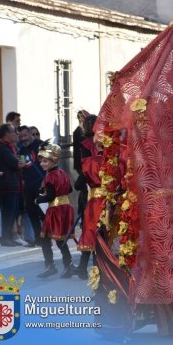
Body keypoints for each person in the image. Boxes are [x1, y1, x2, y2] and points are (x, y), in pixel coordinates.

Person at [35, 141, 75, 278]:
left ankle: (50, 265)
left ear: (53, 161)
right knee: (61, 240)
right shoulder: (62, 173)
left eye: (45, 161)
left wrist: (38, 199)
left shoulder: (50, 177)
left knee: (46, 238)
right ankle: (68, 265)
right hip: (65, 207)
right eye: (41, 161)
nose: (42, 164)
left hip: (55, 210)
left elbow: (51, 196)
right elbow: (69, 189)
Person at [74, 115, 103, 279]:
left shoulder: (85, 148)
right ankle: (97, 267)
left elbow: (79, 180)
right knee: (100, 233)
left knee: (89, 231)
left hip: (92, 196)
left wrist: (85, 176)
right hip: (107, 197)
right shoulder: (110, 156)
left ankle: (84, 266)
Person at [0, 123, 25, 247]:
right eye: (12, 131)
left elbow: (18, 163)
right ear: (5, 134)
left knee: (14, 211)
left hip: (13, 183)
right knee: (8, 212)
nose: (15, 134)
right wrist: (18, 163)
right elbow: (15, 163)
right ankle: (5, 238)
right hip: (6, 184)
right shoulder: (2, 148)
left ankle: (9, 236)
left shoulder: (11, 147)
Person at [18, 125, 46, 247]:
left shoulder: (41, 146)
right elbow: (22, 167)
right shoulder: (21, 150)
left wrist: (47, 179)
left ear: (30, 134)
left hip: (41, 183)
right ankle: (38, 238)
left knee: (43, 213)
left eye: (25, 135)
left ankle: (47, 237)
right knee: (31, 212)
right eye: (21, 137)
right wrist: (20, 166)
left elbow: (51, 162)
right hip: (28, 185)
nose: (23, 138)